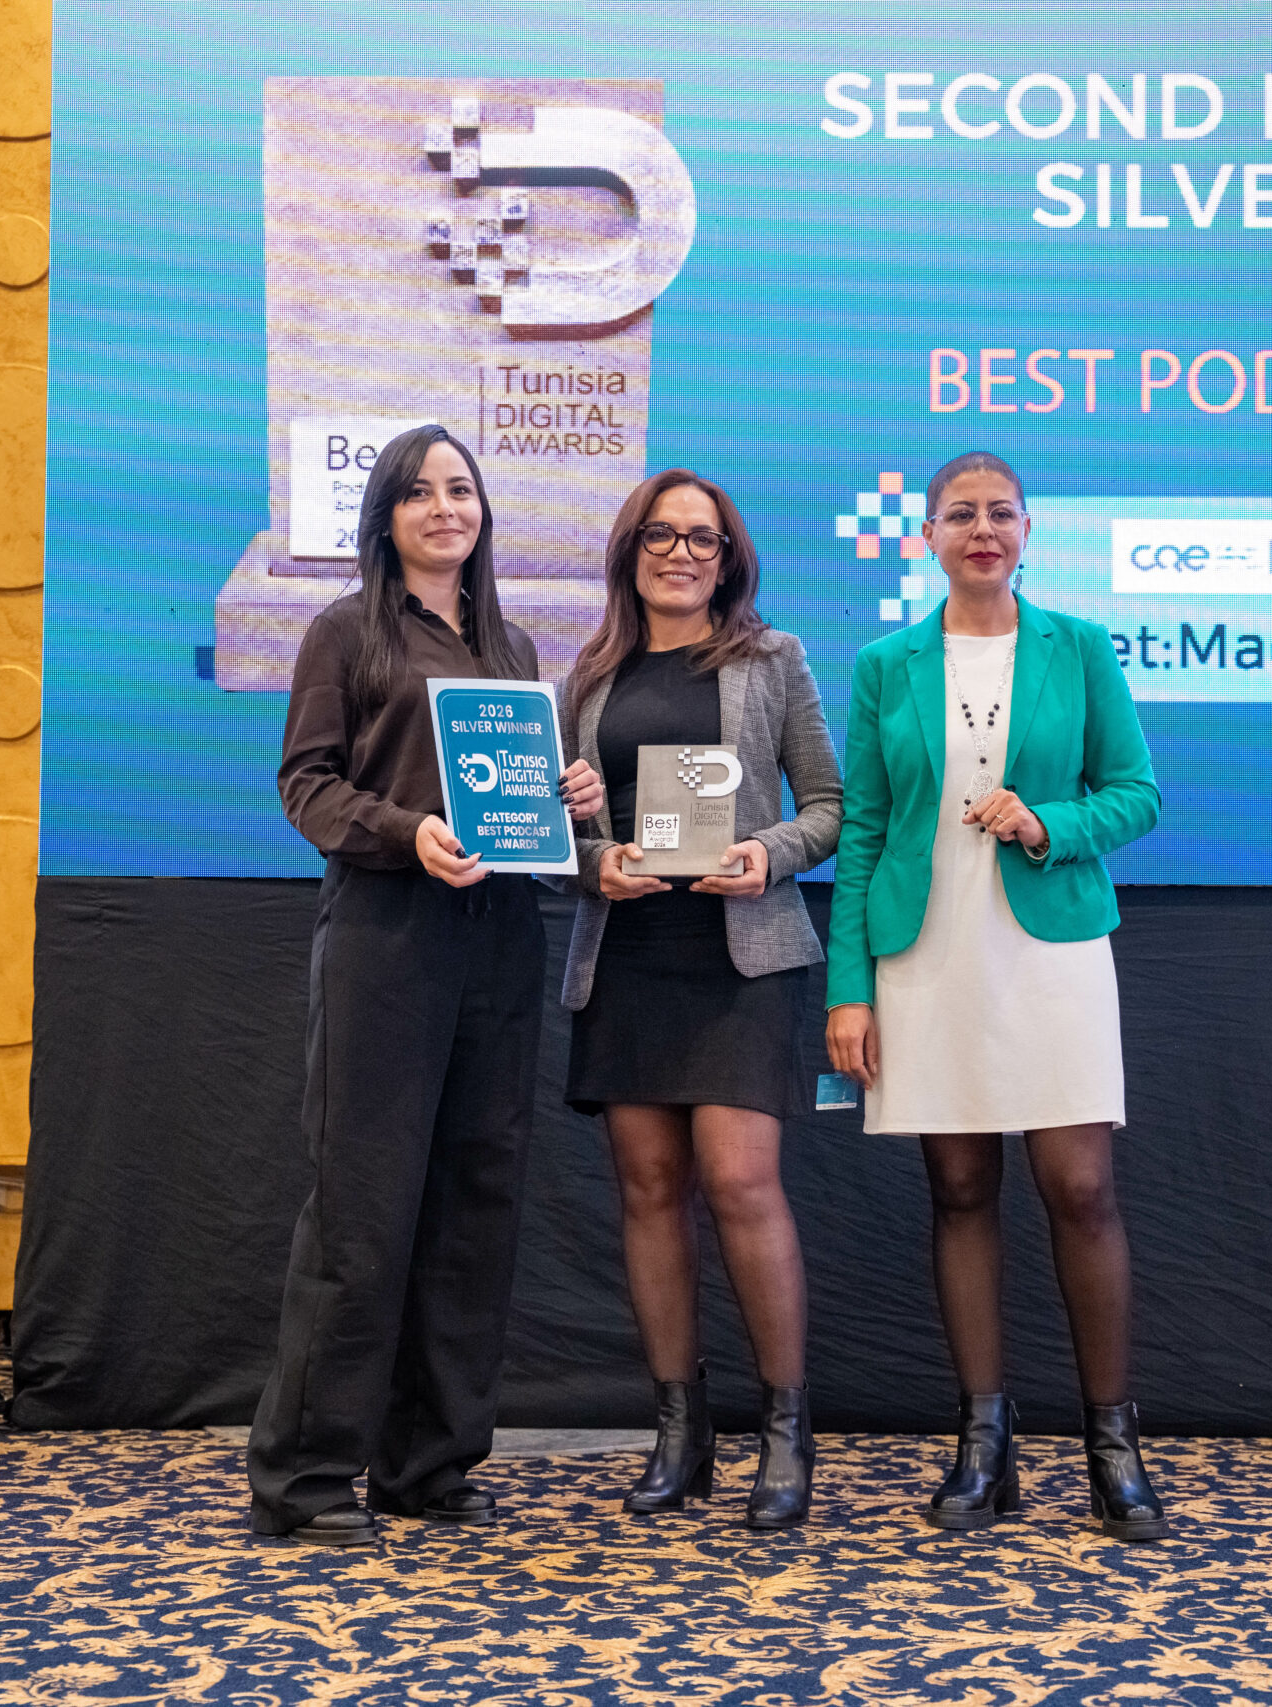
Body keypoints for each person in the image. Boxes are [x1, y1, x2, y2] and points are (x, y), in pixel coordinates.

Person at [248, 424, 605, 1548]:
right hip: (387, 938)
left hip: (500, 939)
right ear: (386, 517)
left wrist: (571, 798)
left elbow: (523, 808)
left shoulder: (510, 645)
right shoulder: (345, 630)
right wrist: (408, 833)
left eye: (461, 489)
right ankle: (304, 1478)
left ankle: (429, 1463)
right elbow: (306, 786)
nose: (446, 507)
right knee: (362, 1210)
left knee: (473, 1206)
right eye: (419, 492)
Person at [823, 450, 1170, 1540]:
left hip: (1052, 948)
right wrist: (848, 992)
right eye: (961, 514)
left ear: (1028, 531)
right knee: (961, 1189)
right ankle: (985, 1444)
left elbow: (1138, 794)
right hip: (925, 954)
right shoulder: (885, 663)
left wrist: (1047, 823)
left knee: (1081, 1188)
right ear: (926, 534)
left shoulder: (1080, 646)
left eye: (1001, 513)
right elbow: (864, 830)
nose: (982, 530)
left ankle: (1112, 1447)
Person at [557, 469, 843, 1530]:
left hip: (740, 955)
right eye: (662, 535)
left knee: (739, 1181)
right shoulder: (588, 676)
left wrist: (769, 854)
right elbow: (558, 836)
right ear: (630, 548)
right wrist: (595, 858)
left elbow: (830, 805)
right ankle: (681, 1434)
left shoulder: (773, 660)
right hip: (628, 955)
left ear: (729, 560)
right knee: (647, 1189)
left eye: (703, 539)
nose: (681, 553)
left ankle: (785, 1430)